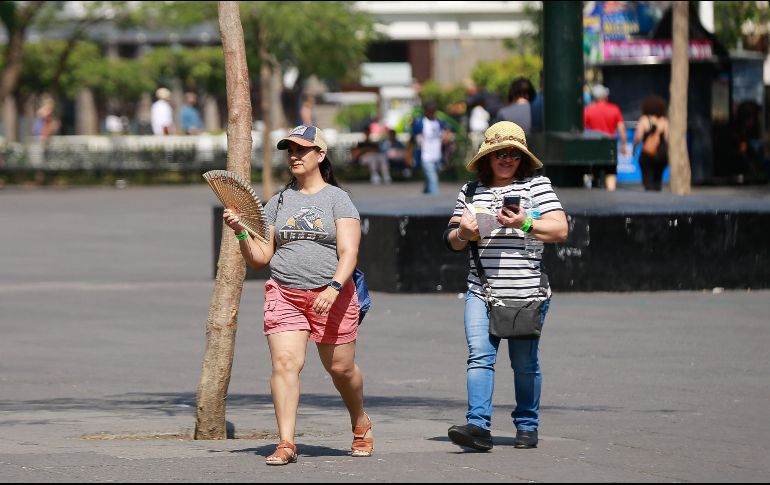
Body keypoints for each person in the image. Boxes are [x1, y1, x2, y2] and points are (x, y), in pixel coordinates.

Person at [222, 124, 373, 466]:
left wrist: (334, 287)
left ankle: (360, 421)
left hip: (331, 294)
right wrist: (241, 233)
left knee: (341, 369)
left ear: (320, 155)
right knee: (286, 363)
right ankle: (286, 442)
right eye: (289, 150)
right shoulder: (278, 201)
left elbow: (349, 252)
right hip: (285, 292)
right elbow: (261, 258)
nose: (293, 156)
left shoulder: (338, 199)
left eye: (301, 150)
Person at [443, 121, 568, 451]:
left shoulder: (536, 185)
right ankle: (478, 427)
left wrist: (525, 222)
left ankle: (527, 424)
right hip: (481, 289)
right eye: (500, 152)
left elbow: (560, 229)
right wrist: (464, 233)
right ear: (487, 156)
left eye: (514, 153)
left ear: (522, 157)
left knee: (524, 363)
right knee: (480, 356)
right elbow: (452, 240)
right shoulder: (470, 192)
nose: (507, 158)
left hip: (527, 292)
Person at [583, 84, 627, 191]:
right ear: (605, 96)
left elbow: (583, 129)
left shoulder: (588, 110)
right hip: (610, 147)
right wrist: (624, 144)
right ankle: (611, 199)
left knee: (594, 174)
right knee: (610, 174)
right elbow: (621, 128)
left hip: (594, 147)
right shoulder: (614, 109)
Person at [410, 101, 452, 195]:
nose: (432, 113)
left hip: (437, 155)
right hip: (425, 155)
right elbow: (413, 136)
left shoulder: (439, 122)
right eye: (430, 111)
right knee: (433, 178)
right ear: (426, 111)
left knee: (432, 176)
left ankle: (426, 192)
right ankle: (434, 197)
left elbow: (448, 130)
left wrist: (446, 136)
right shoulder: (420, 122)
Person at [633, 95, 670, 191]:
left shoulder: (644, 119)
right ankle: (657, 198)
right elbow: (667, 139)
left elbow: (638, 137)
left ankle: (650, 199)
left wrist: (634, 147)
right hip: (662, 154)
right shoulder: (665, 121)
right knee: (658, 179)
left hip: (647, 154)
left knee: (647, 180)